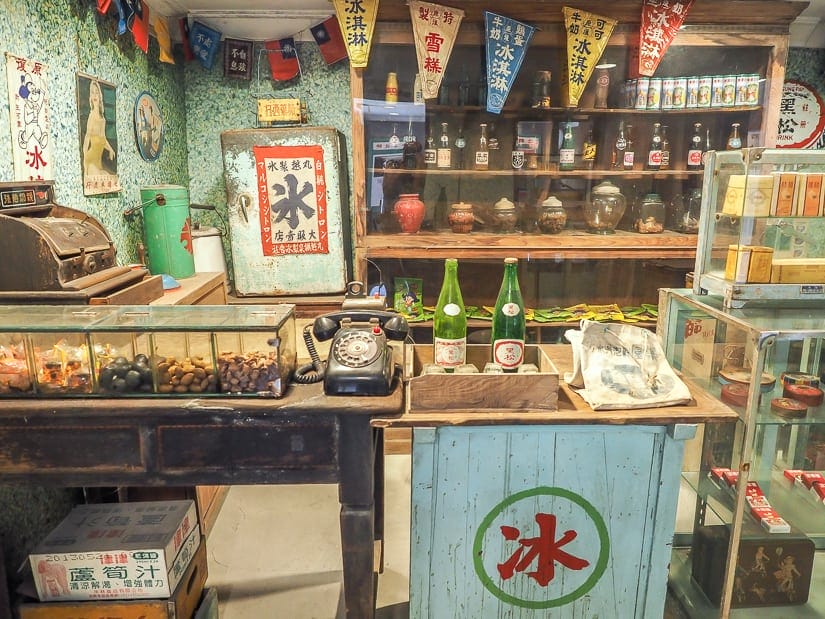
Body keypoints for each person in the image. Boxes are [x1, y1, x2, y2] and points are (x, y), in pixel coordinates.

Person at [82, 79, 116, 177]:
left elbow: (103, 138)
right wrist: (85, 162)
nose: (95, 95)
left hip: (98, 162)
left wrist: (110, 149)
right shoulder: (91, 116)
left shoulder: (102, 118)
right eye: (92, 93)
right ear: (90, 97)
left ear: (100, 95)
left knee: (108, 176)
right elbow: (87, 138)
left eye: (97, 92)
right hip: (91, 161)